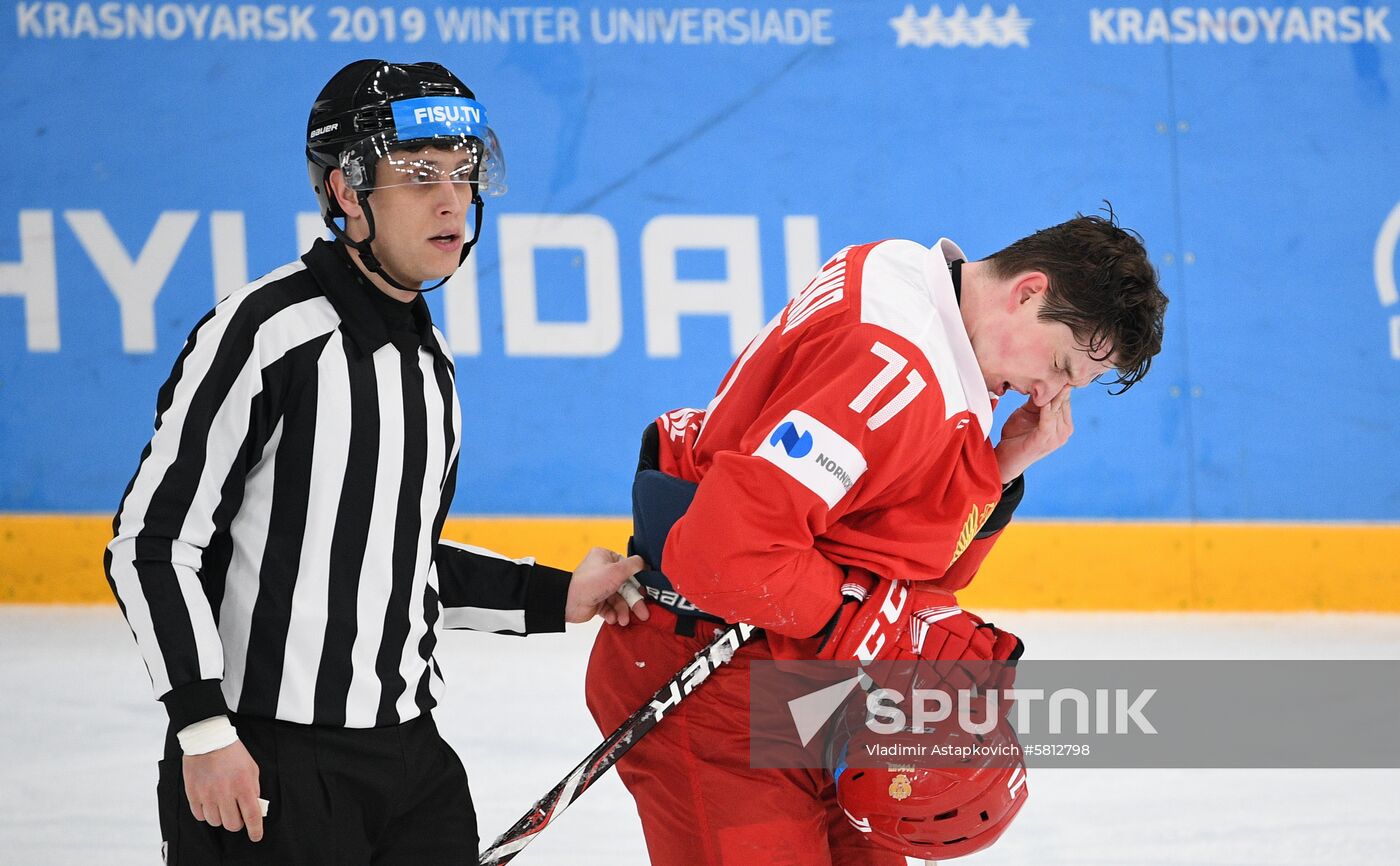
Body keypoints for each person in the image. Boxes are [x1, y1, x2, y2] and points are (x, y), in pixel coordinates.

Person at [104, 58, 646, 865]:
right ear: (345, 192)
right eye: (420, 174)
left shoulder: (429, 361)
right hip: (267, 772)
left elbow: (391, 557)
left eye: (465, 174)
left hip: (412, 768)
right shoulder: (267, 333)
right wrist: (204, 730)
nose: (453, 199)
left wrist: (556, 594)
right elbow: (150, 544)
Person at [586, 211, 1168, 864]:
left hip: (805, 678)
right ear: (1029, 291)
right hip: (714, 680)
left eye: (1071, 387)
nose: (1048, 393)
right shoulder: (890, 362)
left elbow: (903, 547)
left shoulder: (915, 282)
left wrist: (1001, 469)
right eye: (1060, 364)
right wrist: (873, 622)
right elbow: (724, 553)